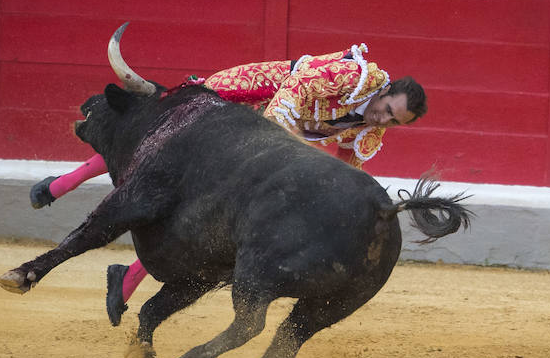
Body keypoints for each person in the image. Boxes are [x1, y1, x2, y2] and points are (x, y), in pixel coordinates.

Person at [29, 44, 427, 325]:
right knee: (160, 145)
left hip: (262, 140)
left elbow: (343, 173)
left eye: (394, 122)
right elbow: (294, 91)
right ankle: (62, 184)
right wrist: (275, 146)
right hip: (250, 94)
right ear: (385, 91)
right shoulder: (356, 75)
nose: (383, 121)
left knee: (196, 216)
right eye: (387, 110)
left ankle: (126, 279)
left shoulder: (368, 136)